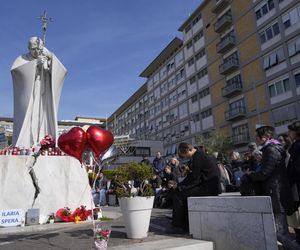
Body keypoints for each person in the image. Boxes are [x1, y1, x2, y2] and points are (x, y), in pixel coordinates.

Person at [245, 126, 298, 249]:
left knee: (279, 232)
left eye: (258, 137)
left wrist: (250, 174)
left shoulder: (271, 150)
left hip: (276, 193)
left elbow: (265, 173)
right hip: (276, 192)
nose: (257, 140)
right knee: (281, 231)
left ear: (266, 137)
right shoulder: (273, 148)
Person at [11, 37, 67, 148]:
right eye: (33, 49)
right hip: (30, 94)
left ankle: (45, 141)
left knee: (44, 115)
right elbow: (16, 71)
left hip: (44, 94)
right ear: (28, 48)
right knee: (30, 116)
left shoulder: (46, 56)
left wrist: (50, 57)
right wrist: (35, 64)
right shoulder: (22, 58)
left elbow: (62, 71)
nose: (36, 52)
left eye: (39, 49)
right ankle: (26, 144)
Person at [171, 142, 220, 232]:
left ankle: (178, 226)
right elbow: (192, 176)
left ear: (188, 150)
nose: (186, 157)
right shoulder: (199, 155)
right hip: (209, 186)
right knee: (180, 192)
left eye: (185, 155)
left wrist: (181, 187)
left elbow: (195, 178)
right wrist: (180, 185)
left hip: (208, 188)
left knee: (178, 195)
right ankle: (185, 225)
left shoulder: (198, 157)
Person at [287, 121, 300, 243]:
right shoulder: (295, 145)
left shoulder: (297, 146)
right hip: (295, 184)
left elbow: (296, 168)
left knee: (296, 213)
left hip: (296, 185)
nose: (288, 133)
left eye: (290, 131)